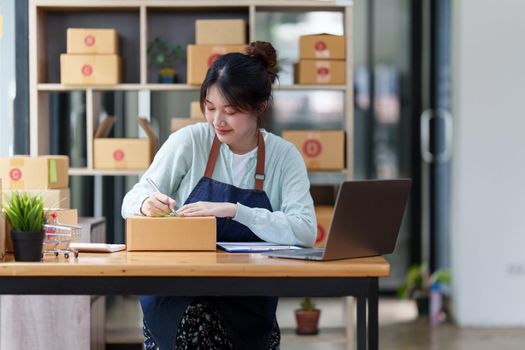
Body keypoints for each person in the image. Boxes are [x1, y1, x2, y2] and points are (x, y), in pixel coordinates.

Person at [121, 41, 317, 350]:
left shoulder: (283, 156)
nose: (217, 121)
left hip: (248, 298)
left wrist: (236, 210)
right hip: (179, 294)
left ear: (260, 107)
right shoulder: (190, 141)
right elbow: (132, 199)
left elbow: (305, 230)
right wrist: (146, 203)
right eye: (210, 108)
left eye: (231, 111)